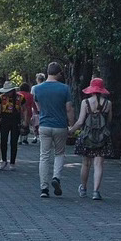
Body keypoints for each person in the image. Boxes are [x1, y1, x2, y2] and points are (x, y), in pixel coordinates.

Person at [32, 62, 76, 198]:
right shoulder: (65, 89)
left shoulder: (38, 89)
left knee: (44, 156)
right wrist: (71, 125)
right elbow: (69, 109)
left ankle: (43, 188)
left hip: (44, 125)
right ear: (58, 73)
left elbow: (38, 108)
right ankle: (56, 177)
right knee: (59, 153)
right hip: (60, 125)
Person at [70, 77, 113, 200]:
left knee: (86, 163)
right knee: (99, 164)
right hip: (102, 138)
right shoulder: (108, 104)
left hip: (87, 136)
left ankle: (83, 188)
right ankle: (96, 192)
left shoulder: (85, 102)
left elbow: (80, 121)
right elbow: (109, 120)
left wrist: (71, 131)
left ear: (92, 89)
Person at [0, 80, 23, 170]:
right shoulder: (1, 97)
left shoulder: (20, 97)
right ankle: (4, 160)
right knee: (3, 141)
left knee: (14, 142)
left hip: (15, 120)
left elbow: (24, 109)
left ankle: (13, 162)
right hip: (5, 120)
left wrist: (25, 121)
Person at [30, 73, 46, 143]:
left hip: (36, 106)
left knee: (35, 123)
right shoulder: (47, 87)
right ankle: (42, 137)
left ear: (37, 79)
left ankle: (35, 136)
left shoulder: (34, 88)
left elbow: (32, 98)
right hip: (45, 107)